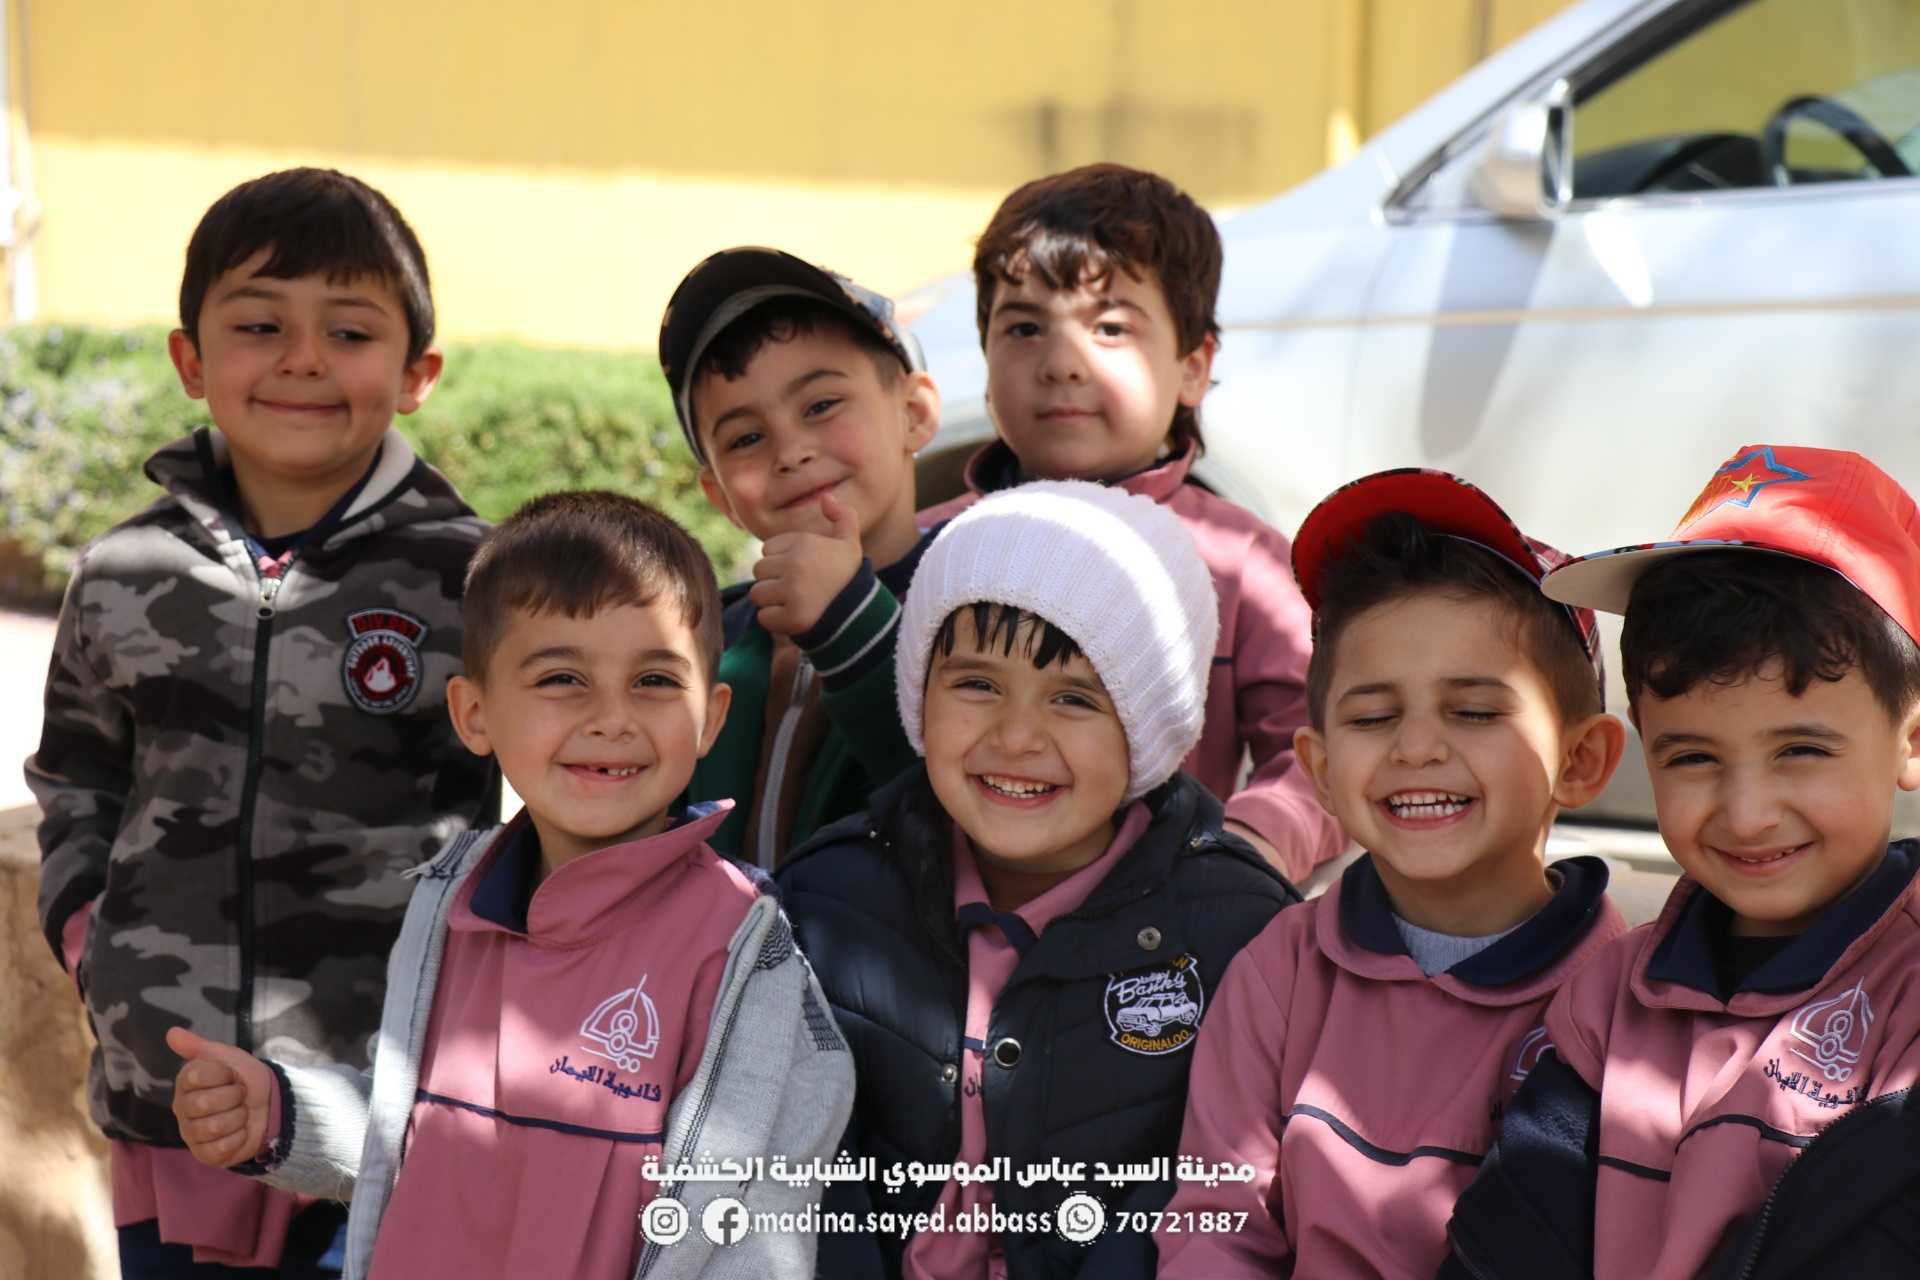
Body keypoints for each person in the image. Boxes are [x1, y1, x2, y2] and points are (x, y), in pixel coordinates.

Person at [168, 491, 855, 1280]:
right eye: (562, 677)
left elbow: (757, 1225)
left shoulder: (741, 950)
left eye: (655, 680)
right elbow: (417, 1132)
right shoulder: (450, 902)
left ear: (712, 717)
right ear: (475, 714)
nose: (612, 718)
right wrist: (282, 1114)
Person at [26, 166, 497, 1276]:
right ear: (191, 359)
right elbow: (79, 780)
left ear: (417, 374)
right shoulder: (122, 572)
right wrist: (97, 944)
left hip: (374, 1109)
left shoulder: (474, 580)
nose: (302, 359)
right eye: (258, 325)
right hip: (168, 1095)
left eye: (350, 331)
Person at [779, 480, 1300, 1279]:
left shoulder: (1239, 932)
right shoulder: (825, 903)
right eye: (977, 684)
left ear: (1151, 730)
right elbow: (797, 1176)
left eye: (1074, 698)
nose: (1017, 736)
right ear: (918, 692)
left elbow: (1220, 1194)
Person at [1440, 445, 1920, 1279]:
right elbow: (1508, 1241)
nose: (1746, 812)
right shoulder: (1610, 998)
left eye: (1801, 750)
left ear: (1910, 739)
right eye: (1693, 757)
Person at [1157, 469, 1629, 1278]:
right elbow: (1216, 1226)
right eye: (1374, 716)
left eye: (1474, 711)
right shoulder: (1278, 973)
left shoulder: (1621, 1005)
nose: (1415, 749)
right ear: (1320, 769)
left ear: (1581, 759)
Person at [919, 163, 1342, 882]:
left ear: (1193, 366)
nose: (1061, 363)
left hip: (1168, 928)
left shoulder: (1246, 565)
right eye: (1023, 327)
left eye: (1110, 327)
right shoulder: (933, 550)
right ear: (985, 358)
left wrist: (1247, 848)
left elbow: (1318, 748)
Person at [658, 248, 940, 866]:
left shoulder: (981, 617)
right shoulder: (703, 642)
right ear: (720, 496)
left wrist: (852, 625)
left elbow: (955, 808)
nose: (790, 451)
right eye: (746, 438)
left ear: (914, 414)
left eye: (820, 406)